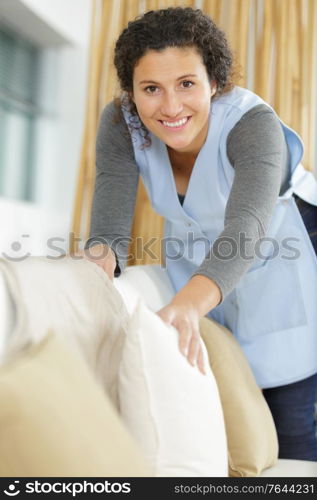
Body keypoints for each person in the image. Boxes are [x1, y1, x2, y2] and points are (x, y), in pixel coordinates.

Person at [84, 7, 317, 461]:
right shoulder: (121, 124)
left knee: (289, 412)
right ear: (131, 92)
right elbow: (110, 224)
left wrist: (188, 306)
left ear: (215, 81)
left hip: (283, 243)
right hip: (198, 258)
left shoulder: (252, 126)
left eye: (186, 84)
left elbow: (246, 227)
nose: (170, 107)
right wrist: (95, 268)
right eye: (151, 88)